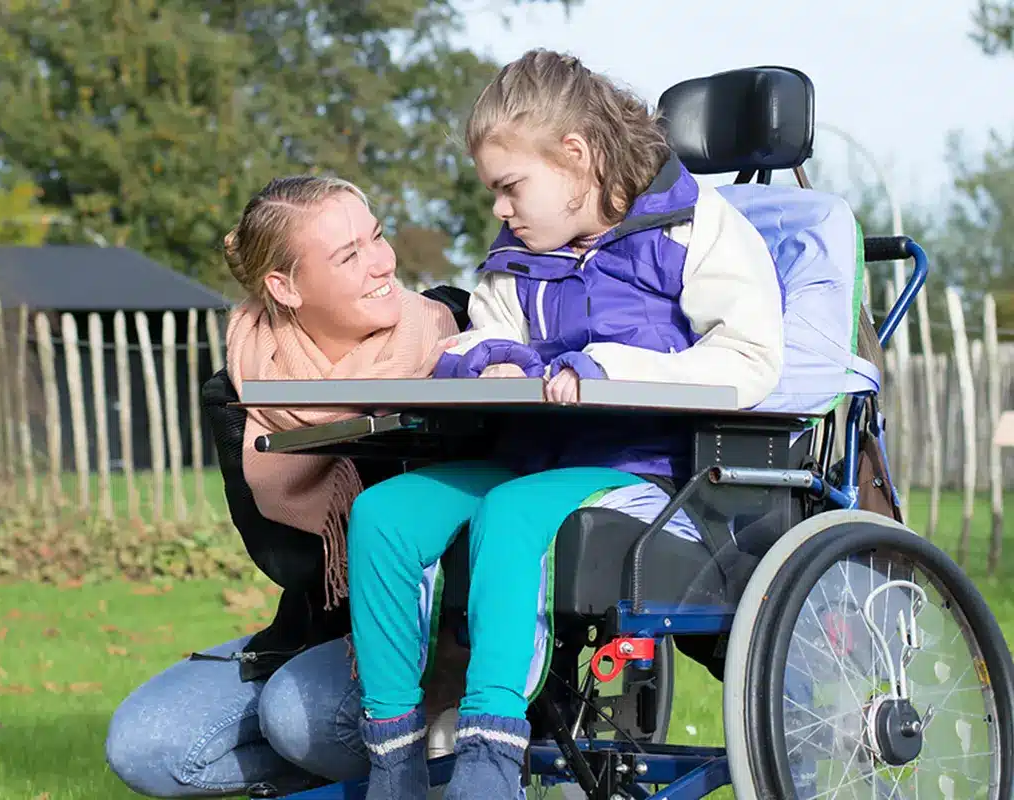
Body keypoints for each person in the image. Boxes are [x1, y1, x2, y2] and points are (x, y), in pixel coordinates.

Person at [346, 49, 786, 800]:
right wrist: (484, 363)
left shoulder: (696, 228)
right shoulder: (517, 256)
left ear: (575, 156)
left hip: (651, 475)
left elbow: (750, 358)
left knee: (515, 514)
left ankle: (487, 767)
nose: (499, 209)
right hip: (531, 459)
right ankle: (393, 762)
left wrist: (608, 369)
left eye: (509, 187)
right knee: (382, 513)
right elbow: (477, 335)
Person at [105, 175, 463, 797]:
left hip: (448, 630)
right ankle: (350, 765)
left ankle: (461, 755)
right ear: (285, 287)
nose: (382, 263)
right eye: (348, 256)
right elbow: (288, 559)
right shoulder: (242, 390)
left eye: (375, 236)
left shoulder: (454, 332)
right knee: (146, 746)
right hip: (324, 628)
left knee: (301, 719)